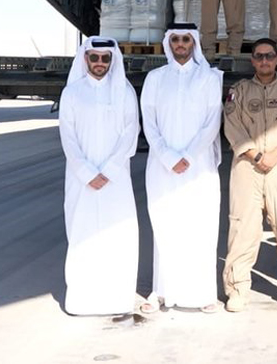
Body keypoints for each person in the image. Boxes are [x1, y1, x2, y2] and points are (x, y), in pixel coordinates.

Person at [140, 23, 225, 313]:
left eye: (185, 39)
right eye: (175, 39)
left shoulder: (209, 78)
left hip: (198, 166)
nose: (180, 44)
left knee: (199, 226)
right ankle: (161, 291)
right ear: (168, 43)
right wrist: (167, 155)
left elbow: (212, 122)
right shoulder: (155, 78)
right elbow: (148, 121)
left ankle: (202, 295)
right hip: (162, 166)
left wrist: (187, 155)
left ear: (194, 43)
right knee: (165, 223)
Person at [222, 38, 277, 312]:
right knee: (242, 228)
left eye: (268, 56)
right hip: (248, 166)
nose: (263, 61)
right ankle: (237, 289)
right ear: (252, 60)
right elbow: (232, 126)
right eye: (258, 57)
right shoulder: (238, 91)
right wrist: (254, 154)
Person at [57, 36, 141, 316]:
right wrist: (86, 172)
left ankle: (116, 298)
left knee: (118, 234)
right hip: (81, 180)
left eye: (106, 58)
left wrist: (109, 171)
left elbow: (131, 132)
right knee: (82, 233)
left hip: (115, 179)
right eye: (95, 58)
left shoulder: (125, 91)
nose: (100, 63)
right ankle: (82, 299)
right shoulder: (72, 93)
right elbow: (67, 137)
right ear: (85, 59)